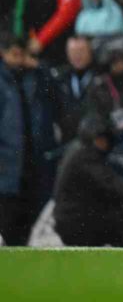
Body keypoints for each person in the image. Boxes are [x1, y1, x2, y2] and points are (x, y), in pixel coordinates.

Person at [53, 115, 123, 246]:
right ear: (94, 139)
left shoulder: (78, 150)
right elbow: (114, 185)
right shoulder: (85, 156)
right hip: (76, 221)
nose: (105, 144)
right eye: (101, 139)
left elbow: (109, 190)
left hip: (73, 218)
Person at [0, 35, 61, 246]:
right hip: (7, 169)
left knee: (29, 232)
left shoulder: (34, 77)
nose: (18, 60)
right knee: (6, 227)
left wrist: (40, 67)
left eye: (21, 55)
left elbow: (56, 96)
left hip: (32, 167)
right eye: (14, 54)